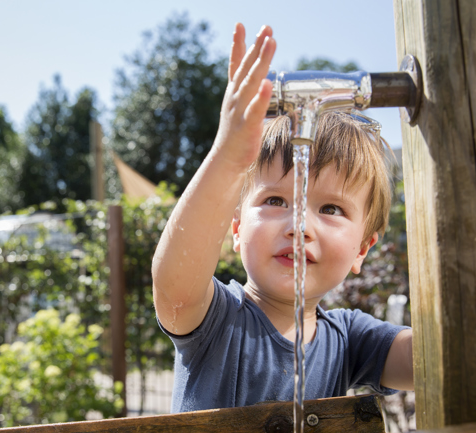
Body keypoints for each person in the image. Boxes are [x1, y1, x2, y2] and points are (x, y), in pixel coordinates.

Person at [151, 23, 413, 413]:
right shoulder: (217, 319)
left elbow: (434, 357)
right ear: (237, 229)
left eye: (330, 209)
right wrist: (227, 158)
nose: (299, 226)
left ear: (362, 249)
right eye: (275, 200)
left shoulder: (350, 339)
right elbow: (174, 287)